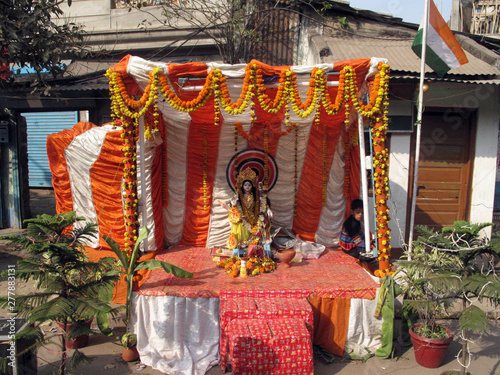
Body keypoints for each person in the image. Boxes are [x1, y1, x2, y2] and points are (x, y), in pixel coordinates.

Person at [226, 167, 272, 258]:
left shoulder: (257, 195)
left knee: (261, 225)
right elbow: (234, 207)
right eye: (245, 185)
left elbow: (263, 204)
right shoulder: (239, 195)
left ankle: (255, 247)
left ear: (252, 186)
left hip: (255, 217)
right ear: (242, 186)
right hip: (243, 218)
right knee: (239, 226)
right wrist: (233, 205)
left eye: (249, 185)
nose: (247, 187)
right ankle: (241, 247)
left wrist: (268, 209)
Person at [339, 199, 378, 265]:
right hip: (351, 249)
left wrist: (371, 242)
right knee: (373, 256)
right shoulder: (350, 224)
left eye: (362, 212)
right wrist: (370, 245)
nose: (360, 215)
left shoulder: (356, 221)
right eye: (358, 212)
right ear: (352, 212)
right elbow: (358, 242)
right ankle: (385, 268)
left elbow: (360, 236)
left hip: (356, 245)